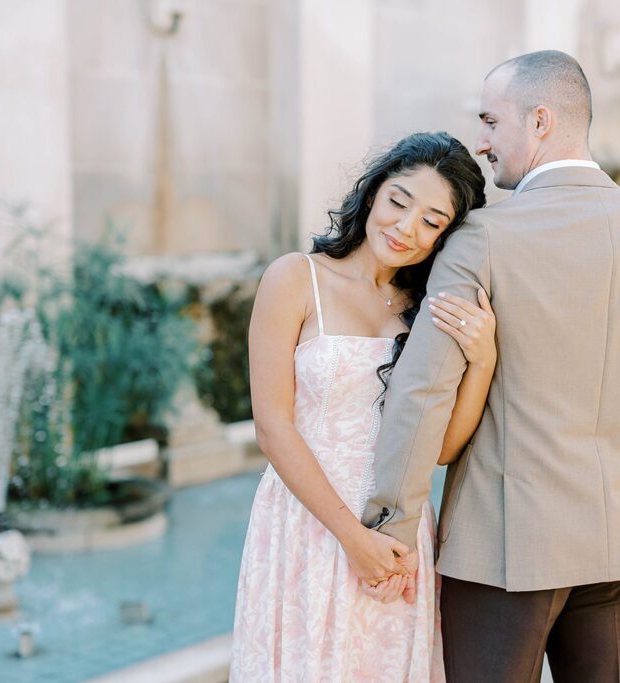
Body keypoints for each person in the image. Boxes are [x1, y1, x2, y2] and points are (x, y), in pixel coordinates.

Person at [363, 51, 620, 682]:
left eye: (489, 120)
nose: (481, 142)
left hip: (500, 554)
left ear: (538, 121)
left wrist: (391, 530)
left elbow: (422, 391)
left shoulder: (481, 237)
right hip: (617, 546)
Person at [230, 131, 491, 682]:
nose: (405, 228)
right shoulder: (295, 278)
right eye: (399, 202)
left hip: (396, 528)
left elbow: (441, 448)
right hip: (309, 523)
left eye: (431, 221)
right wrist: (353, 539)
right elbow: (272, 426)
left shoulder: (426, 309)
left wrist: (483, 360)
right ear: (373, 192)